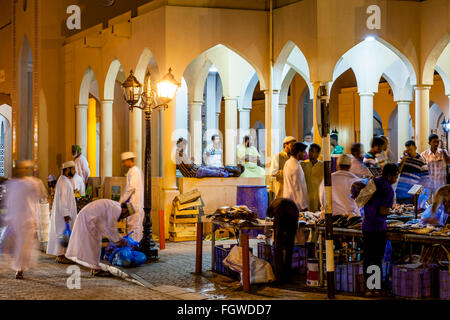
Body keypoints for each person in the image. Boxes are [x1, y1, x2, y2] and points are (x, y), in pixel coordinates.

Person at [65, 200, 135, 276]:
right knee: (94, 245)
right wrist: (119, 240)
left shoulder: (115, 206)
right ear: (125, 210)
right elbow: (111, 227)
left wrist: (117, 239)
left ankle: (95, 267)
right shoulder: (117, 209)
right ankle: (95, 269)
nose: (124, 217)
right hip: (88, 219)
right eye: (126, 215)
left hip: (89, 218)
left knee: (94, 244)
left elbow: (108, 227)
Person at [1, 160, 46, 279]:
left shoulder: (32, 183)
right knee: (14, 246)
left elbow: (41, 196)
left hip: (26, 219)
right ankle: (17, 267)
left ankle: (19, 268)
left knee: (23, 246)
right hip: (16, 220)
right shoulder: (14, 183)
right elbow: (8, 201)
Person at [362, 163, 399, 296]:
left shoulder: (372, 182)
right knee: (376, 258)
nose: (396, 178)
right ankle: (376, 288)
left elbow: (360, 200)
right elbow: (383, 210)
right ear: (390, 176)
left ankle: (368, 288)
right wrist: (394, 213)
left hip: (366, 226)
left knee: (368, 257)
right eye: (395, 176)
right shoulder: (388, 189)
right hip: (378, 227)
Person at [46, 161, 78, 264]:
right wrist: (66, 214)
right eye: (72, 169)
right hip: (63, 215)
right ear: (67, 169)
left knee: (63, 234)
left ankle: (61, 255)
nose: (74, 171)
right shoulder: (64, 181)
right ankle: (61, 255)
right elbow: (63, 199)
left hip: (63, 214)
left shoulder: (63, 180)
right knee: (63, 234)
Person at [266, 198, 299, 283]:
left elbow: (275, 224)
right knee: (289, 247)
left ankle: (279, 277)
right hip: (294, 212)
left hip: (282, 210)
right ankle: (287, 275)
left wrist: (277, 238)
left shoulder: (274, 207)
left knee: (278, 247)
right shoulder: (278, 202)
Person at [175, 138, 243, 178]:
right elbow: (189, 165)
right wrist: (191, 160)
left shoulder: (180, 154)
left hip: (196, 170)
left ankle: (234, 171)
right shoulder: (180, 154)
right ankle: (233, 173)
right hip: (195, 172)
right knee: (214, 172)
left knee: (215, 169)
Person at [119, 152, 144, 242]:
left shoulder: (134, 171)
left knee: (133, 226)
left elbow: (131, 187)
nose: (124, 164)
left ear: (129, 160)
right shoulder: (134, 170)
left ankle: (134, 246)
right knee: (134, 226)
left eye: (124, 161)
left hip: (135, 203)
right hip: (135, 203)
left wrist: (122, 200)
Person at [396, 140, 428, 204]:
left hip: (412, 194)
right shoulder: (403, 158)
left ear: (415, 148)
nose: (409, 152)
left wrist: (419, 194)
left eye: (411, 149)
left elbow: (425, 179)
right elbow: (398, 171)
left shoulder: (421, 161)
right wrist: (404, 159)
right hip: (400, 192)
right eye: (408, 150)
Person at [283, 142, 308, 211]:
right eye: (303, 152)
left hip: (289, 201)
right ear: (299, 152)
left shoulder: (288, 162)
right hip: (296, 204)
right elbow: (299, 189)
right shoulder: (296, 167)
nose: (304, 154)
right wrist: (304, 206)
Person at [301, 143, 324, 212]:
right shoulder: (303, 164)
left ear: (318, 154)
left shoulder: (322, 166)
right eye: (310, 151)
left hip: (318, 196)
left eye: (313, 151)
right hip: (306, 195)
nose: (310, 153)